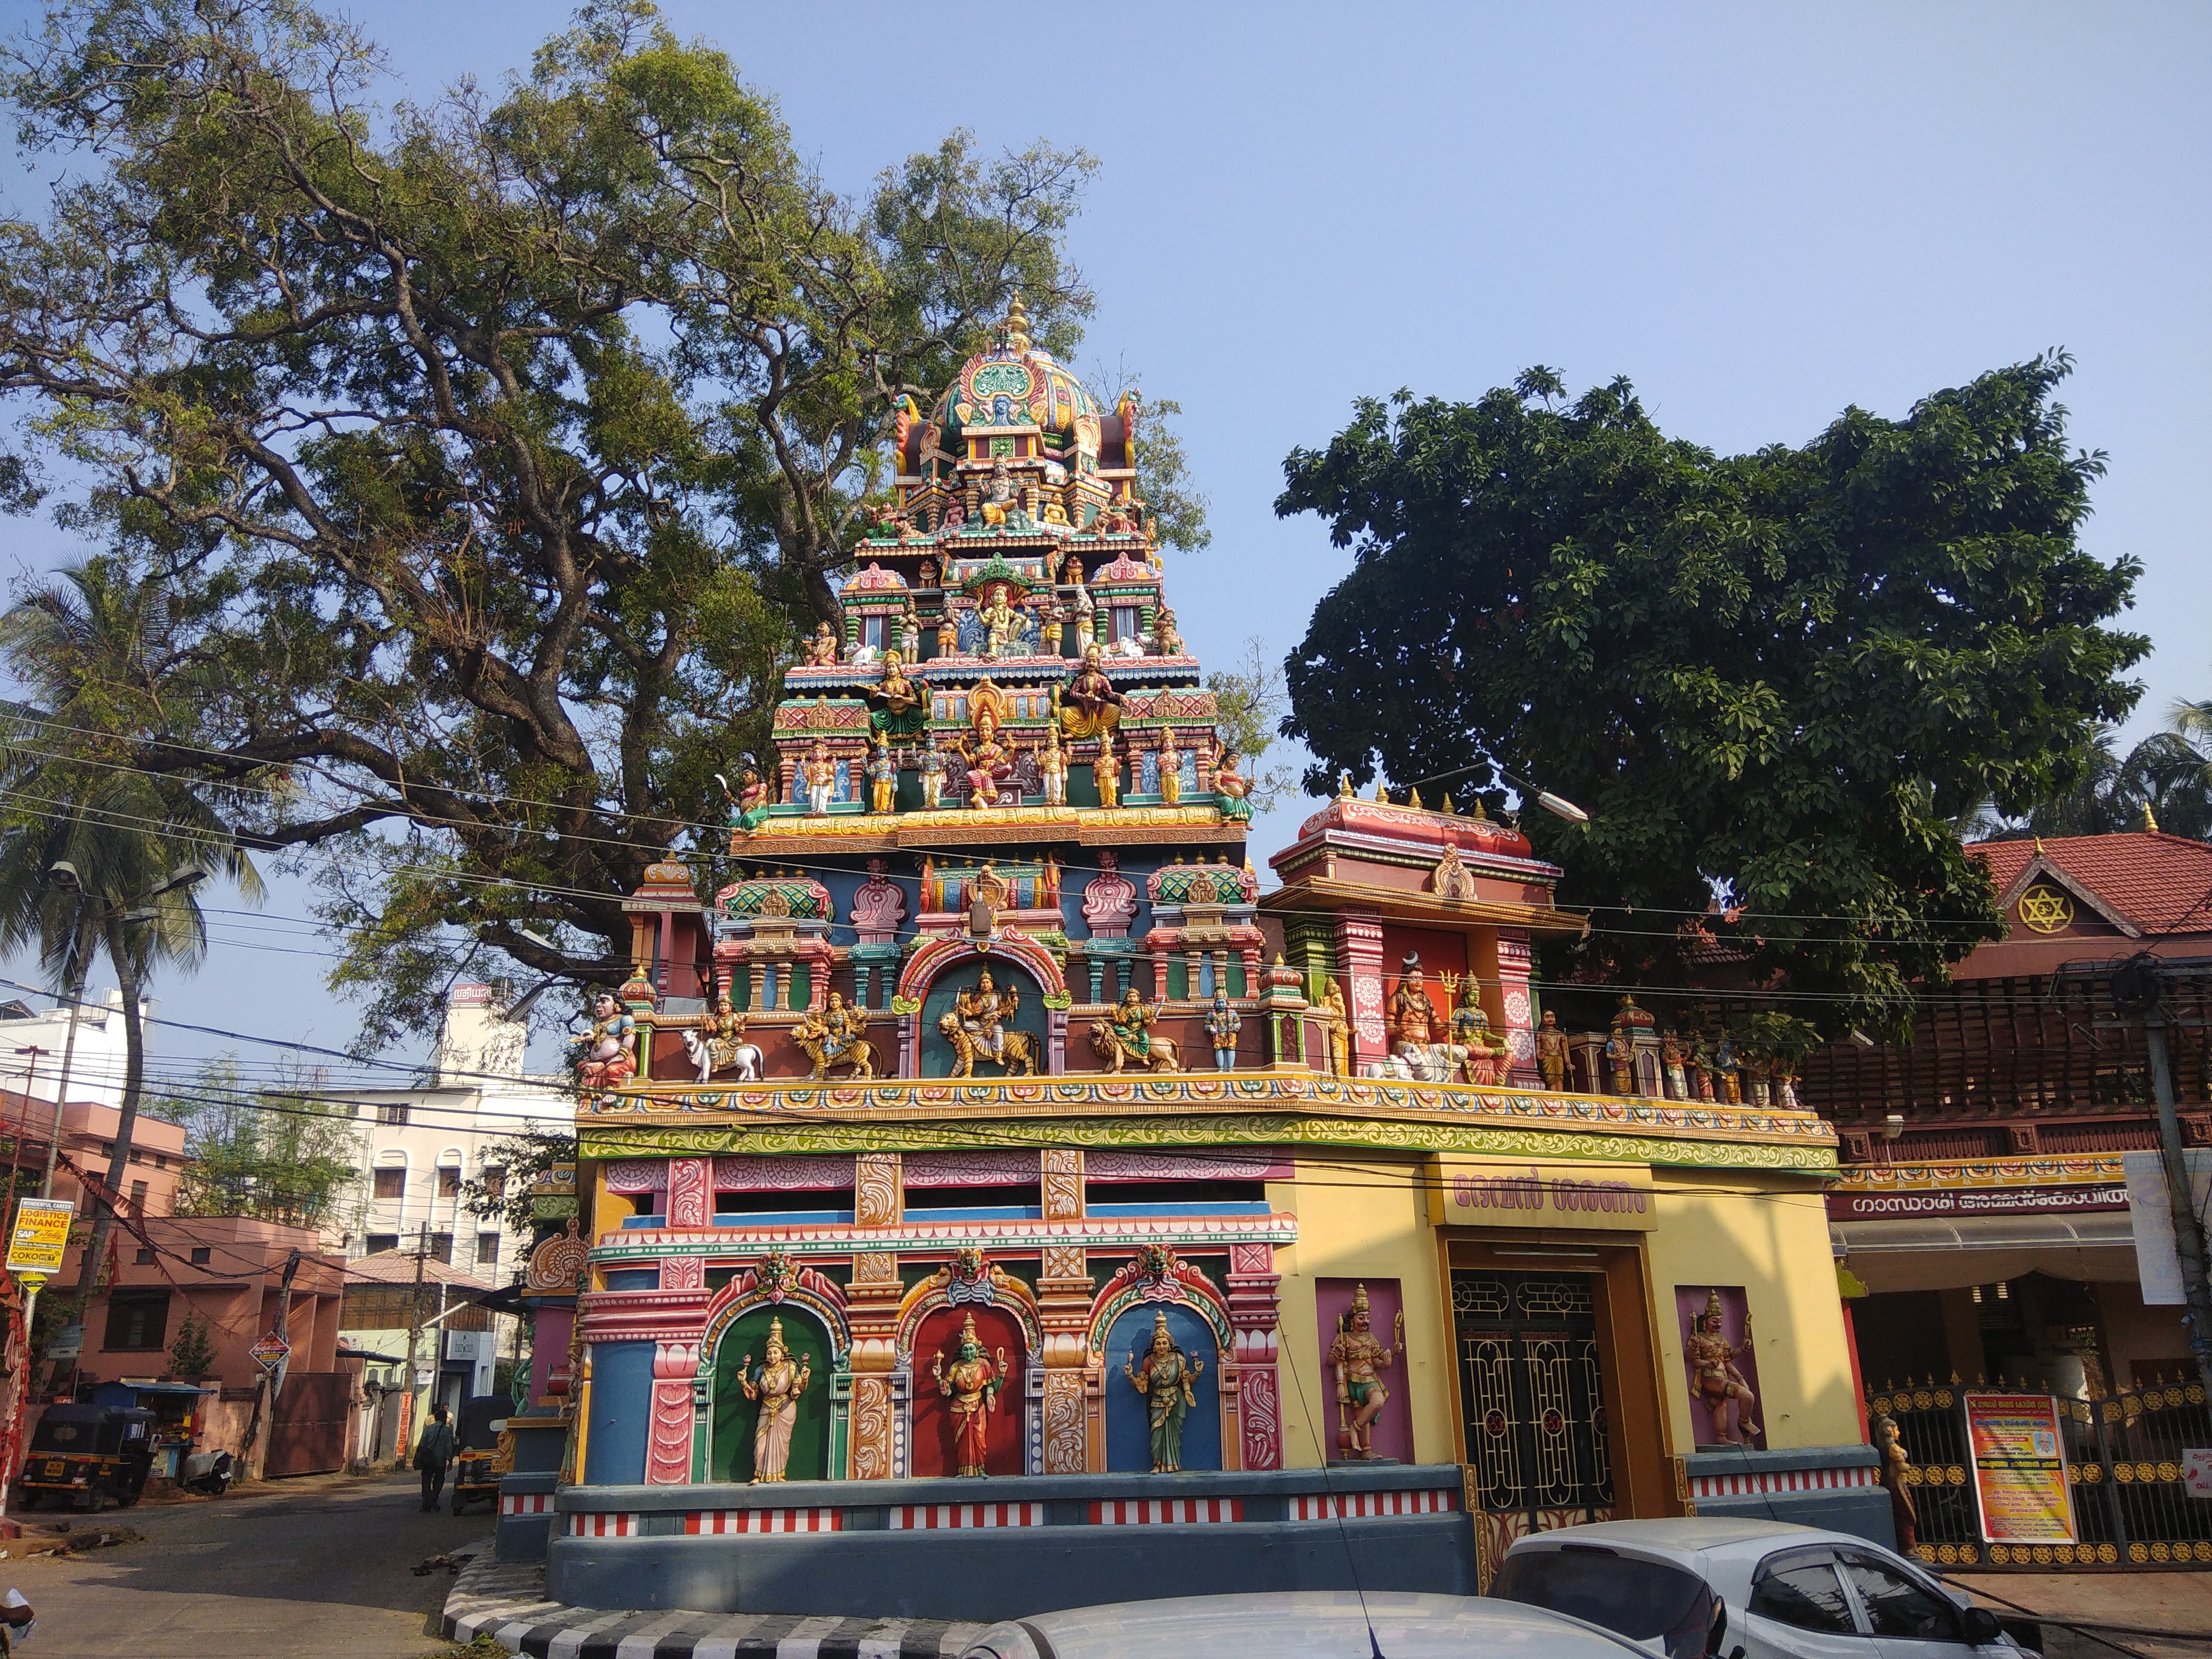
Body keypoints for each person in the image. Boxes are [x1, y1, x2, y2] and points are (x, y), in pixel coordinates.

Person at [414, 1402, 457, 1512]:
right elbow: (449, 1447)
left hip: (427, 1459)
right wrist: (450, 1460)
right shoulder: (447, 1431)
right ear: (444, 1420)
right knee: (439, 1481)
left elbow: (422, 1444)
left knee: (426, 1480)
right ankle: (433, 1499)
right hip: (440, 1461)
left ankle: (426, 1502)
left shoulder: (428, 1429)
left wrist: (419, 1457)